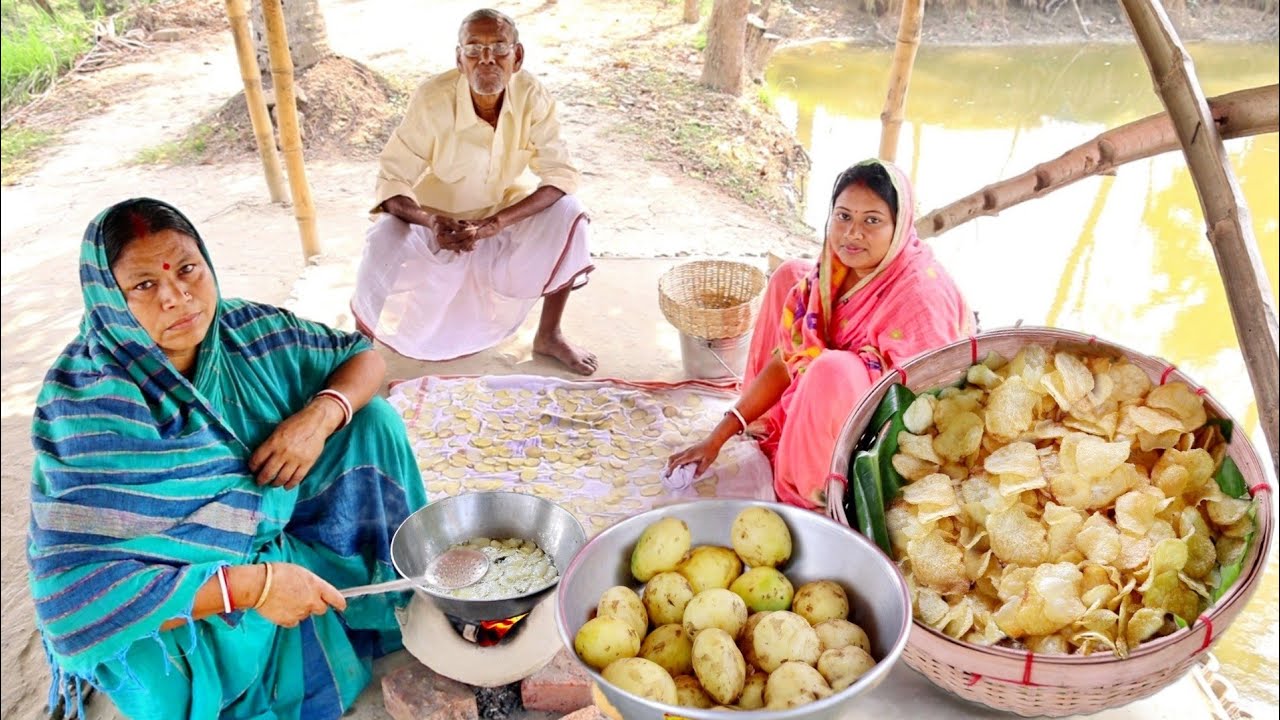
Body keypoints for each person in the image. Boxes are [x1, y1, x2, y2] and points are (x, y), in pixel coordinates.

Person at [27, 199, 428, 720]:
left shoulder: (246, 332)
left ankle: (377, 604)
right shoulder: (84, 405)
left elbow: (363, 358)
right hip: (191, 585)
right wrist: (255, 585)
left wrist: (320, 416)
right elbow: (73, 595)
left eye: (188, 269)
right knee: (152, 674)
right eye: (145, 286)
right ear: (109, 301)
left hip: (278, 523)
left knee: (372, 420)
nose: (178, 297)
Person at [667, 159, 973, 510]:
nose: (852, 233)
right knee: (789, 277)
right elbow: (787, 363)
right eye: (843, 216)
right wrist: (718, 436)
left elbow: (928, 411)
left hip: (883, 439)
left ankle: (813, 498)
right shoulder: (832, 270)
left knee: (831, 370)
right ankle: (770, 429)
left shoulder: (921, 296)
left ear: (899, 226)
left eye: (872, 220)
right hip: (830, 397)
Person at [351, 8, 597, 375]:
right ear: (459, 58)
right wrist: (431, 220)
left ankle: (549, 335)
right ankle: (359, 349)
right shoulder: (433, 97)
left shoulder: (531, 94)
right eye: (473, 49)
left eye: (498, 47)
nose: (486, 59)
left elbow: (560, 175)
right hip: (435, 226)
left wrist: (496, 223)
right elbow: (392, 179)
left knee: (570, 212)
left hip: (497, 219)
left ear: (518, 56)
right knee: (384, 232)